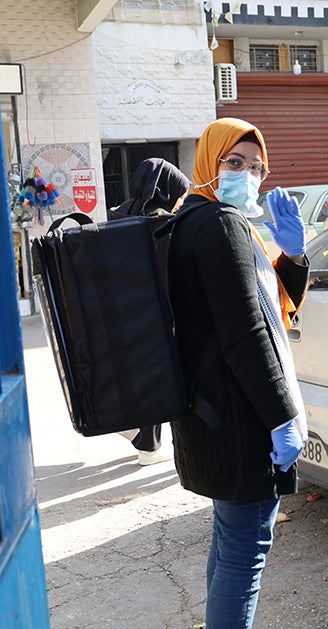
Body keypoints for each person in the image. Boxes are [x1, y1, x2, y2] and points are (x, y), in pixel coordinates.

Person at [166, 117, 309, 629]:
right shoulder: (221, 224)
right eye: (234, 163)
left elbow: (270, 305)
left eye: (256, 167)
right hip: (240, 421)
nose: (247, 175)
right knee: (244, 554)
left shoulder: (193, 221)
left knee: (230, 545)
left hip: (209, 415)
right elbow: (247, 332)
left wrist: (293, 255)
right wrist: (282, 418)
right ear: (207, 163)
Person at [109, 157, 191, 465]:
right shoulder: (165, 224)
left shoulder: (117, 216)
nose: (180, 201)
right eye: (179, 194)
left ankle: (143, 438)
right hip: (158, 314)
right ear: (167, 190)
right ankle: (146, 444)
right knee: (162, 379)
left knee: (140, 378)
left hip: (120, 312)